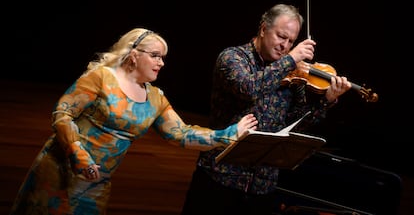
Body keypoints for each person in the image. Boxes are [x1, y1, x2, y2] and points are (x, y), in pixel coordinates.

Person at [9, 27, 259, 215]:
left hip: (94, 183)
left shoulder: (155, 98)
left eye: (163, 58)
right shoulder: (101, 78)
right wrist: (78, 154)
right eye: (155, 55)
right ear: (133, 55)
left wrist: (230, 134)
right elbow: (62, 114)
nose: (161, 63)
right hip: (59, 171)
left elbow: (181, 134)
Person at [180, 4, 352, 215]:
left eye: (291, 41)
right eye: (281, 36)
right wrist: (290, 60)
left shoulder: (294, 74)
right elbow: (249, 88)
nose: (285, 46)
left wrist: (325, 100)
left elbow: (297, 123)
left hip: (262, 187)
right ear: (263, 29)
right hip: (220, 178)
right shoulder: (233, 58)